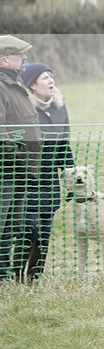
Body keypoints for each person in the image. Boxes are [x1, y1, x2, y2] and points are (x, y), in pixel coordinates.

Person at [20, 63, 74, 280]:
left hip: (51, 182)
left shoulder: (60, 108)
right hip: (27, 180)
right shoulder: (25, 110)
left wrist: (70, 174)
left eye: (52, 77)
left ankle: (35, 277)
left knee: (44, 233)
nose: (51, 81)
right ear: (32, 85)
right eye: (45, 78)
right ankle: (14, 274)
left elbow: (64, 145)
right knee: (28, 231)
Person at [0, 35, 41, 283]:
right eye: (19, 54)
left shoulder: (14, 83)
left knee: (11, 227)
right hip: (7, 168)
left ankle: (3, 277)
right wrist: (17, 156)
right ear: (4, 59)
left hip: (19, 170)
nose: (25, 58)